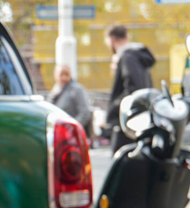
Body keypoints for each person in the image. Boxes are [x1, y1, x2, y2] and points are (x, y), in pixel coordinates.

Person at [104, 24, 156, 153]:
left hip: (127, 121)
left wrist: (112, 110)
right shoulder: (137, 56)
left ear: (111, 40)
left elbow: (133, 89)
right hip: (139, 119)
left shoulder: (128, 57)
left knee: (121, 164)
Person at [48, 64, 93, 137]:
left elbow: (84, 113)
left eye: (67, 74)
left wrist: (72, 128)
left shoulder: (76, 90)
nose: (64, 78)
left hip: (72, 135)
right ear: (55, 75)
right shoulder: (54, 92)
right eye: (61, 74)